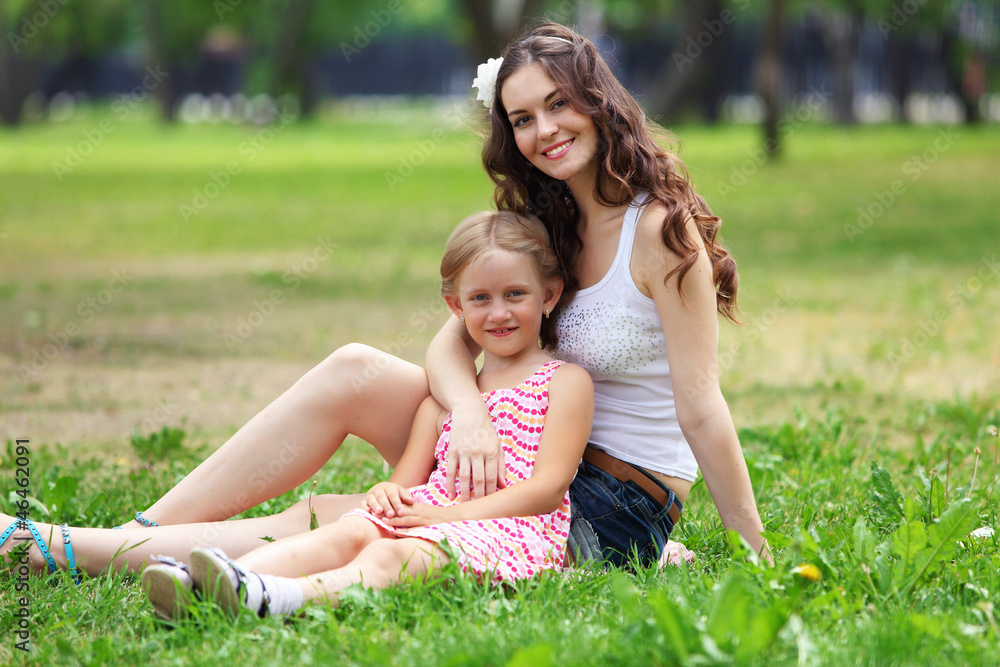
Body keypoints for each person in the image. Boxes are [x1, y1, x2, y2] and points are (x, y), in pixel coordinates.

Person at [2, 20, 764, 573]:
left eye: (558, 105)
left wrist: (754, 553)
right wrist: (467, 413)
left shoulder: (659, 232)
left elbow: (700, 407)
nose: (544, 131)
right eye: (522, 118)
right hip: (523, 441)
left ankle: (66, 551)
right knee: (356, 368)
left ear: (599, 100)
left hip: (604, 496)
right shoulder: (550, 224)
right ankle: (141, 529)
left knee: (336, 516)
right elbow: (452, 336)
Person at [1, 211, 594, 620]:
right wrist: (390, 496)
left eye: (516, 295)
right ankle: (207, 580)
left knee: (390, 554)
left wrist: (444, 513)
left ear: (549, 294)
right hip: (435, 519)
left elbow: (546, 491)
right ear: (454, 306)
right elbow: (406, 477)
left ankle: (275, 596)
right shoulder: (444, 398)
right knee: (352, 528)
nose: (499, 312)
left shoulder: (564, 383)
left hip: (505, 533)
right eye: (480, 299)